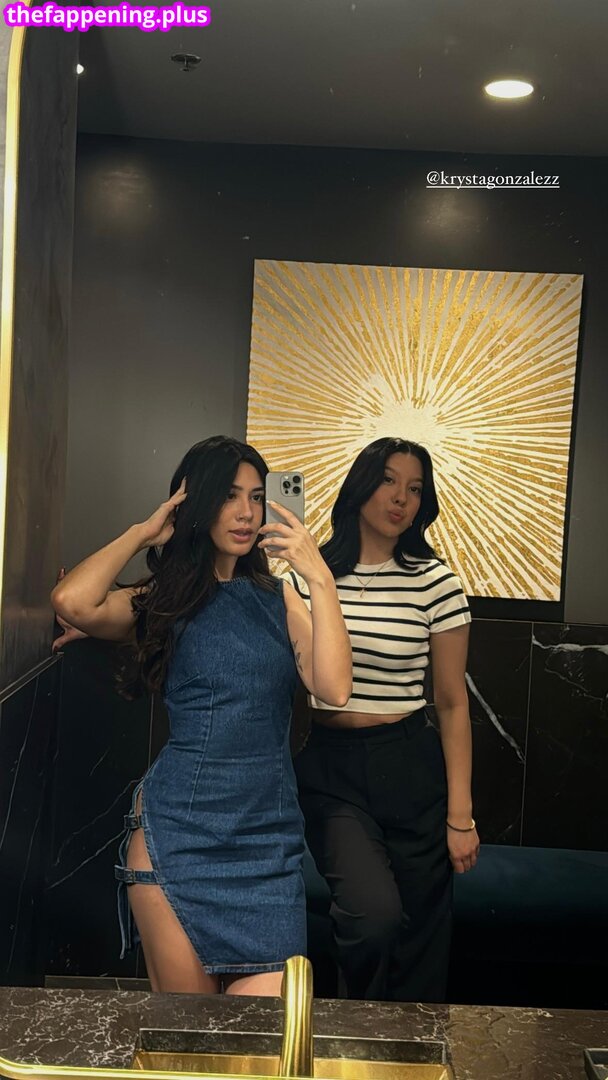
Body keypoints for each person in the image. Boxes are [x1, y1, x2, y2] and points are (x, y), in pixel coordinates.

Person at [51, 435, 351, 997]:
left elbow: (334, 687)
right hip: (177, 836)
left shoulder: (279, 598)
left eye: (256, 497)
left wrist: (319, 578)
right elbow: (73, 602)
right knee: (189, 1034)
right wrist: (144, 532)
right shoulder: (161, 600)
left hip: (267, 845)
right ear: (199, 503)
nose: (246, 512)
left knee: (266, 1035)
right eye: (229, 496)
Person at [284, 437, 479, 1002]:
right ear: (361, 485)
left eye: (415, 489)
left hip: (411, 765)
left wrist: (461, 815)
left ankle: (413, 1046)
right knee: (372, 917)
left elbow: (452, 702)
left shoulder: (436, 583)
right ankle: (356, 1035)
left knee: (421, 935)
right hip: (332, 770)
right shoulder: (307, 576)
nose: (401, 498)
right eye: (389, 481)